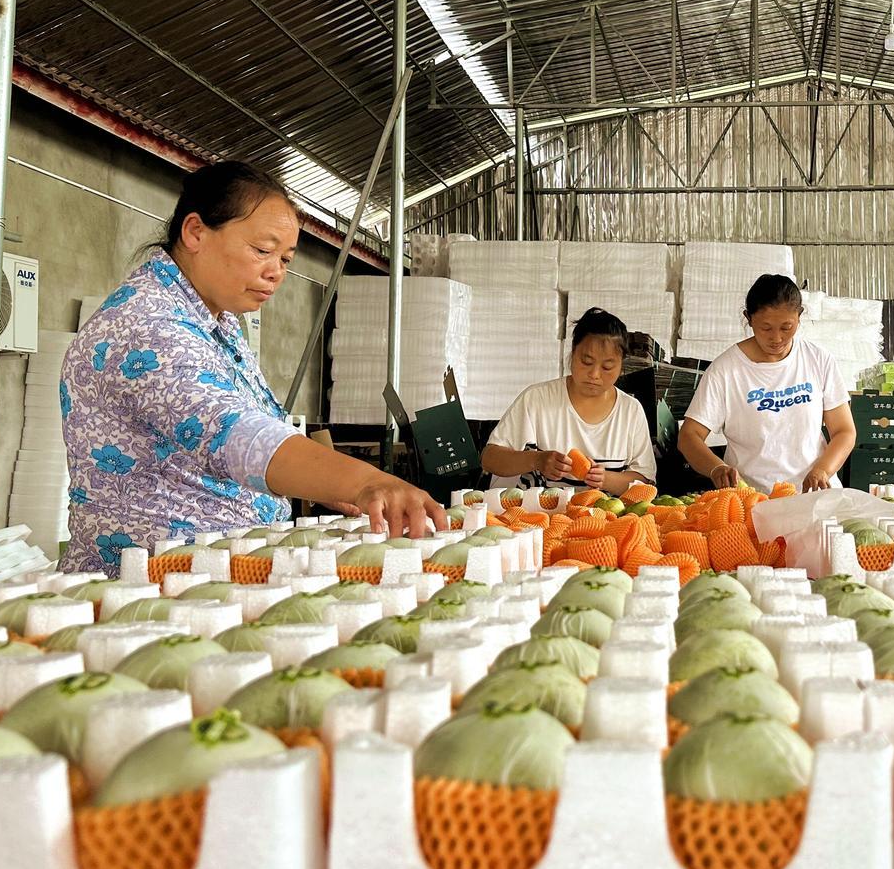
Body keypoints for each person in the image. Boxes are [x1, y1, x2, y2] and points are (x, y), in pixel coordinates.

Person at [60, 161, 446, 572]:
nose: (275, 272)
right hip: (144, 582)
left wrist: (330, 483)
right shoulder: (144, 324)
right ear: (195, 232)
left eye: (285, 259)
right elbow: (235, 434)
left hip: (210, 570)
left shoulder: (217, 321)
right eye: (262, 251)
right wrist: (366, 481)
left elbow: (261, 421)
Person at [678, 274, 857, 493]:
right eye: (766, 328)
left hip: (814, 497)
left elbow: (844, 431)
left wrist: (823, 470)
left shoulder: (818, 360)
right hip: (753, 501)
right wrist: (716, 468)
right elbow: (689, 436)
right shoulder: (725, 370)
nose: (777, 338)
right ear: (749, 318)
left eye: (786, 327)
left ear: (799, 317)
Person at [480, 308, 657, 493]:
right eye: (587, 362)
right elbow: (490, 458)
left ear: (621, 366)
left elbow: (645, 482)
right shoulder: (537, 399)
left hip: (605, 519)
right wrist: (537, 460)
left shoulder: (630, 410)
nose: (595, 375)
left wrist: (605, 479)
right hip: (538, 517)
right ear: (573, 353)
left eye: (607, 367)